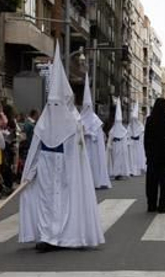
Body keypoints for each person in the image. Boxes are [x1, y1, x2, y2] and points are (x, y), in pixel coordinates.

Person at [19, 43, 104, 248]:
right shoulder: (43, 124)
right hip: (47, 168)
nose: (54, 109)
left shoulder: (73, 126)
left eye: (58, 104)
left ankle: (65, 235)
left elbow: (78, 156)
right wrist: (29, 174)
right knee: (46, 203)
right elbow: (35, 152)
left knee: (65, 202)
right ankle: (47, 237)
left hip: (66, 170)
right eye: (51, 105)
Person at [79, 70, 112, 190]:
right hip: (83, 147)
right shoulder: (79, 118)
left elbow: (98, 136)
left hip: (92, 148)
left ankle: (95, 181)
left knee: (93, 164)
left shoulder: (96, 120)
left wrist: (89, 133)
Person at [144, 97, 165, 213]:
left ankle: (151, 205)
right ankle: (163, 207)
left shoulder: (150, 119)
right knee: (164, 183)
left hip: (153, 154)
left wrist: (147, 153)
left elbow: (146, 138)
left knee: (151, 182)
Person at [107, 101, 132, 179]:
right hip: (115, 146)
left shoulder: (124, 131)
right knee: (115, 160)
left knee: (121, 160)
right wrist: (109, 145)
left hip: (121, 147)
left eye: (119, 121)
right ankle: (116, 173)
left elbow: (126, 139)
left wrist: (125, 146)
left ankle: (120, 173)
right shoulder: (112, 130)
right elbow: (110, 138)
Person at [128, 102, 147, 177]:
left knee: (138, 158)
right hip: (132, 145)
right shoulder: (130, 126)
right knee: (132, 158)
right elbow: (128, 135)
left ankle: (138, 170)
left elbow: (142, 136)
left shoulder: (141, 127)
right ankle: (132, 170)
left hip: (138, 145)